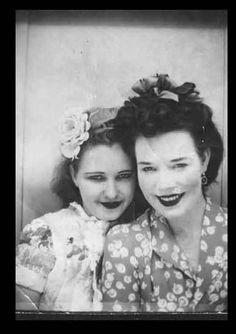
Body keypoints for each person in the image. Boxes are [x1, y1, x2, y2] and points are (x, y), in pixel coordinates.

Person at [101, 73, 227, 312]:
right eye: (148, 168)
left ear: (204, 160)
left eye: (179, 165)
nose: (165, 185)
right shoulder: (124, 244)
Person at [16, 106, 147, 311]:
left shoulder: (146, 232)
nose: (111, 193)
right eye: (97, 178)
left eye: (124, 176)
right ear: (74, 175)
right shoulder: (45, 234)